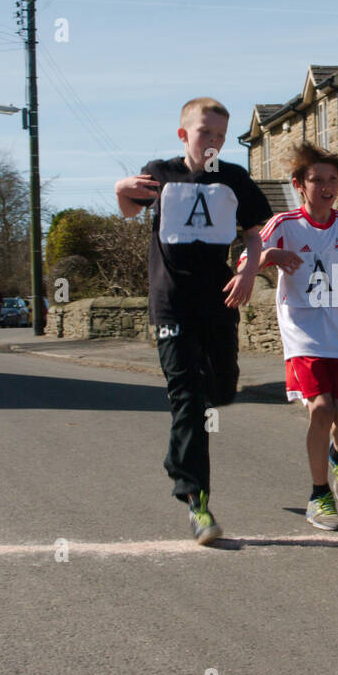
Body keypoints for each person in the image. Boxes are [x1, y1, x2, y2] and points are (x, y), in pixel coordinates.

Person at [115, 97, 271, 545]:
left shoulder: (234, 178)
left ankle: (176, 458)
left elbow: (254, 234)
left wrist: (246, 268)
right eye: (206, 133)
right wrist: (120, 187)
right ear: (184, 135)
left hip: (218, 302)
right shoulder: (161, 174)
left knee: (221, 389)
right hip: (172, 304)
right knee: (189, 398)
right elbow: (129, 209)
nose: (214, 142)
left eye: (221, 136)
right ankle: (196, 499)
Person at [238, 142, 338, 531]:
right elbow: (246, 262)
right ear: (299, 185)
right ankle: (319, 496)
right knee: (322, 409)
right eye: (317, 180)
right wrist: (271, 257)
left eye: (333, 179)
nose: (327, 186)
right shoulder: (284, 225)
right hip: (303, 335)